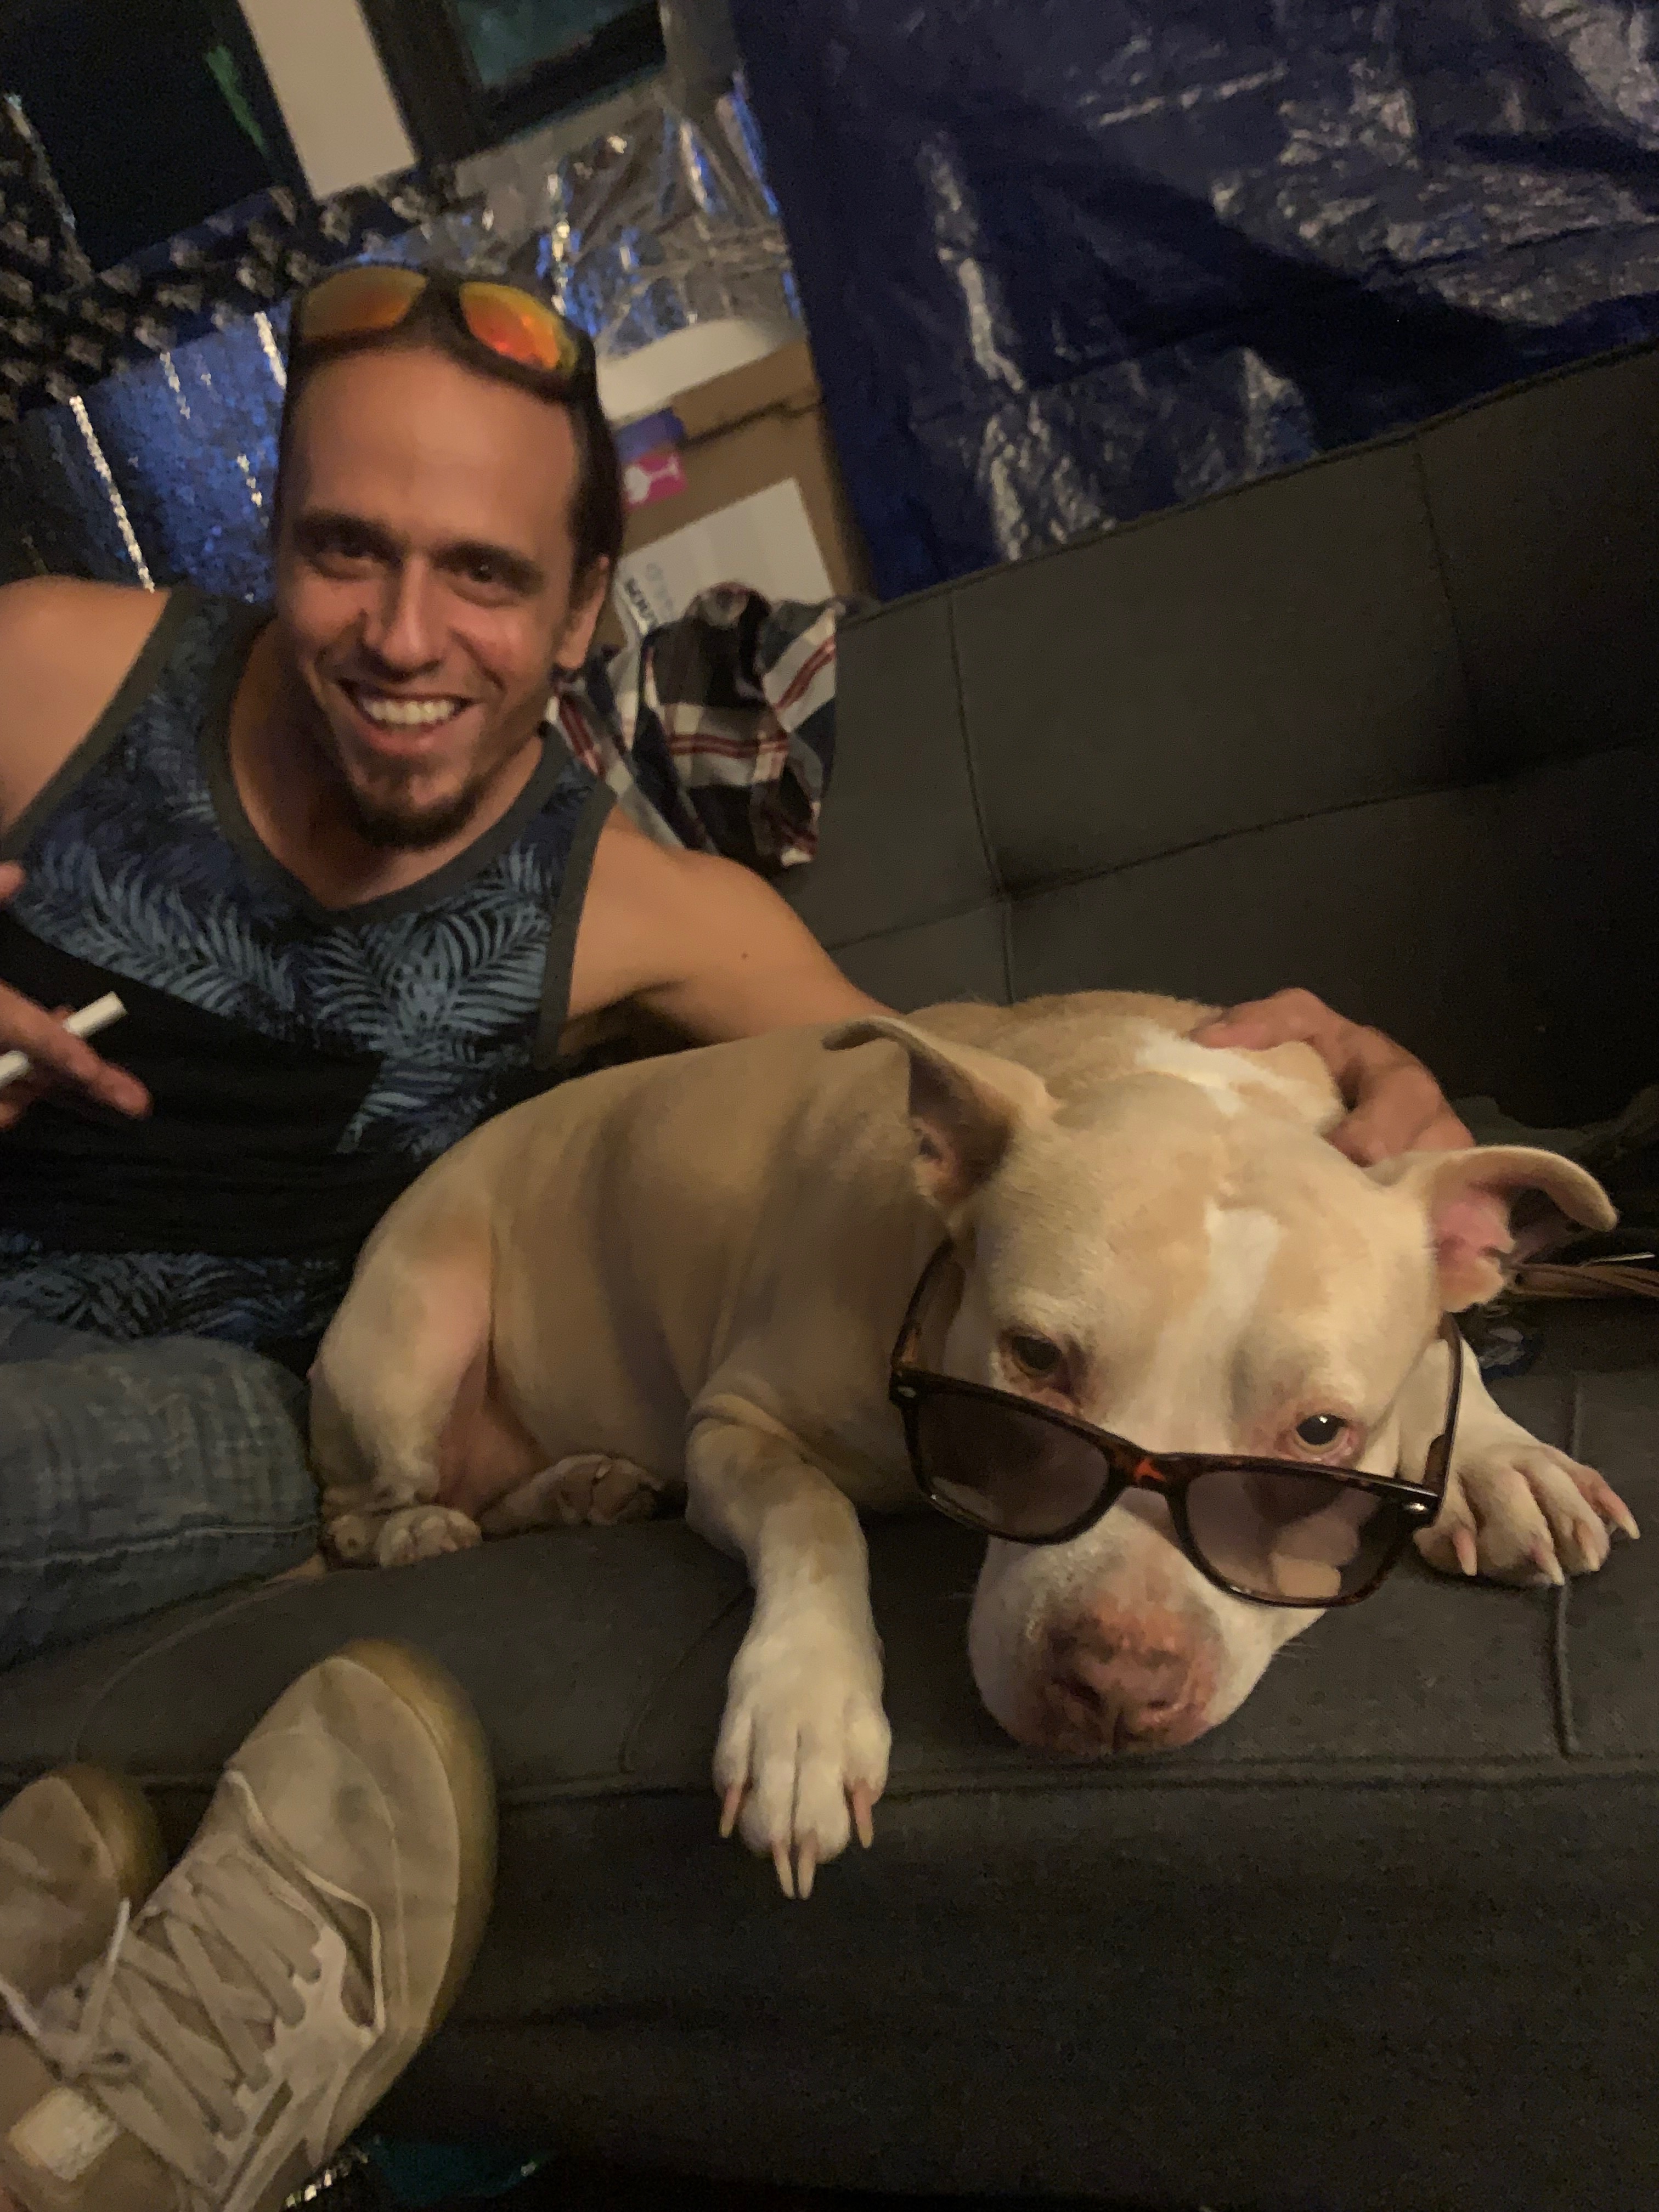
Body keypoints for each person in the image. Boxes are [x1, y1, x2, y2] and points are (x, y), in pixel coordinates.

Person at [0, 263, 1469, 2210]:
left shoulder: (650, 912)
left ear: (581, 612)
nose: (404, 633)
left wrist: (1350, 1108)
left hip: (226, 1386)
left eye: (484, 574)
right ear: (269, 539)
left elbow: (997, 1133)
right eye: (346, 549)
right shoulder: (49, 666)